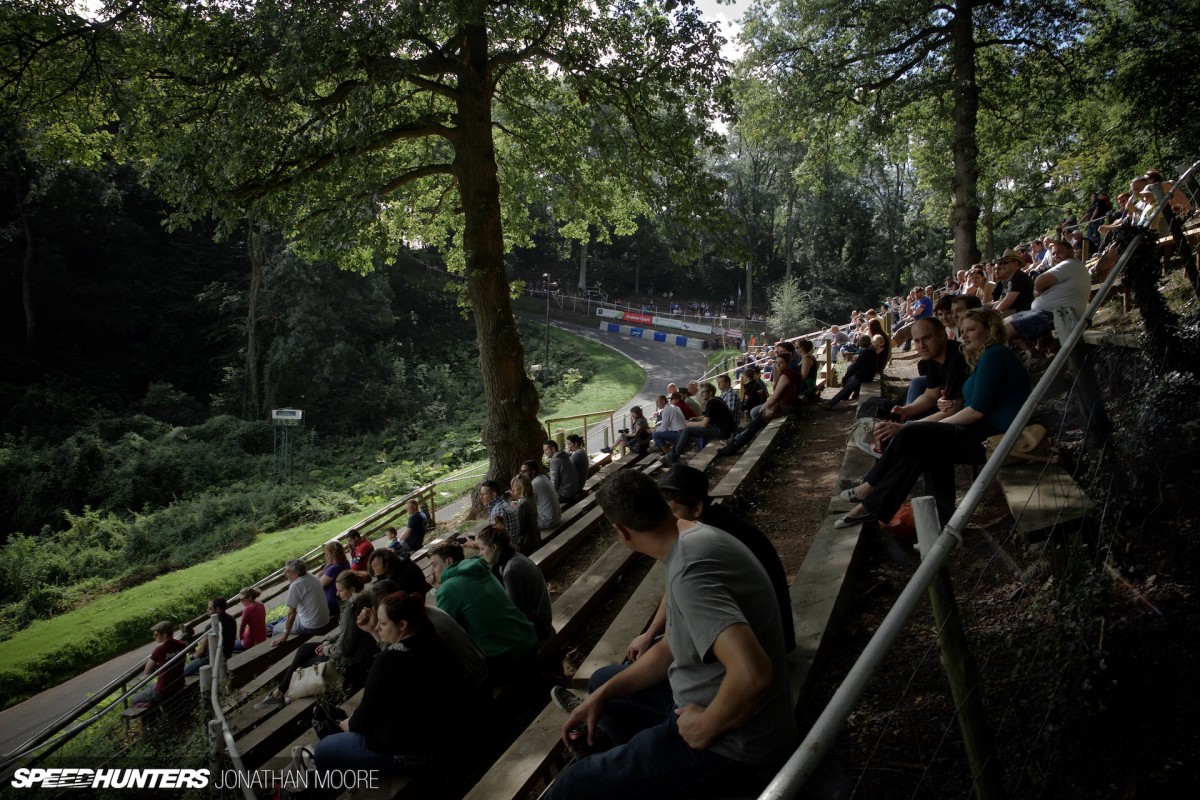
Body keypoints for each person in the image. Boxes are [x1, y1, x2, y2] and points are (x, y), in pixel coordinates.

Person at [548, 470, 797, 800]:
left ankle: (623, 769)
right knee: (602, 683)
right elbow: (669, 649)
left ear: (621, 531)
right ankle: (620, 756)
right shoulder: (693, 536)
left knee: (572, 785)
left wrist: (706, 724)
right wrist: (602, 695)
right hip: (700, 697)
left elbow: (753, 673)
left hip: (731, 741)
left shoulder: (690, 573)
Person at [837, 308, 1031, 528]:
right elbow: (949, 400)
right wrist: (915, 417)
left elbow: (976, 410)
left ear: (991, 330)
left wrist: (918, 425)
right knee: (926, 448)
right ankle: (937, 523)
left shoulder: (995, 355)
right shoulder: (987, 356)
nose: (964, 335)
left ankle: (869, 489)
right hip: (984, 431)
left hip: (994, 438)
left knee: (914, 434)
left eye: (971, 330)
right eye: (962, 330)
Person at [623, 465, 795, 660]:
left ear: (697, 508)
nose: (664, 521)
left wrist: (652, 636)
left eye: (673, 511)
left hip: (761, 647)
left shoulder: (707, 540)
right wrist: (649, 634)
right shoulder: (711, 524)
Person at [312, 591, 456, 774]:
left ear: (402, 624)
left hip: (408, 752)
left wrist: (349, 724)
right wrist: (373, 630)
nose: (378, 627)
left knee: (323, 749)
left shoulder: (389, 659)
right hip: (437, 736)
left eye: (383, 623)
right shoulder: (432, 641)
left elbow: (365, 714)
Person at [255, 571, 378, 707]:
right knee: (305, 649)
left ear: (352, 590)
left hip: (352, 661)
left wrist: (325, 649)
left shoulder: (353, 608)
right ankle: (280, 692)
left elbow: (343, 649)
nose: (337, 594)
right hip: (357, 653)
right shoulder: (365, 600)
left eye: (340, 591)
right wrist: (329, 641)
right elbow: (350, 633)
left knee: (308, 662)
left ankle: (283, 693)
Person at [428, 541, 538, 680]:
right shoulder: (479, 569)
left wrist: (441, 589)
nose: (432, 571)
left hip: (508, 659)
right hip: (528, 641)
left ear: (449, 561)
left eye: (434, 564)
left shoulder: (448, 589)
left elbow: (443, 634)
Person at [1004, 238, 1091, 355]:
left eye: (1059, 252)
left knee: (1002, 330)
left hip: (1053, 315)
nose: (1055, 256)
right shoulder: (1069, 268)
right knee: (1001, 325)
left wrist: (1040, 288)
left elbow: (1039, 282)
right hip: (1044, 312)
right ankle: (1034, 354)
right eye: (1053, 253)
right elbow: (1038, 288)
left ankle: (1032, 357)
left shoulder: (1069, 264)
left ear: (1070, 251)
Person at [477, 524, 555, 642]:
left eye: (482, 549)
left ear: (494, 547)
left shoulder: (511, 570)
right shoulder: (511, 556)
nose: (480, 554)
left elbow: (513, 611)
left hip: (540, 626)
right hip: (539, 618)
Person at [718, 354, 800, 456]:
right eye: (776, 362)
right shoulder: (789, 374)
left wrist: (764, 406)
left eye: (781, 363)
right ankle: (736, 441)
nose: (778, 365)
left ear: (787, 363)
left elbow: (775, 396)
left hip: (781, 407)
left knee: (755, 425)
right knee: (754, 424)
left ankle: (735, 445)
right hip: (783, 405)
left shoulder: (785, 376)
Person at [664, 382, 735, 465]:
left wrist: (689, 424)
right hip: (725, 429)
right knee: (692, 425)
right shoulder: (717, 399)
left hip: (722, 432)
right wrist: (694, 419)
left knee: (688, 430)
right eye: (701, 393)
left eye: (704, 392)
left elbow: (704, 424)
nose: (702, 395)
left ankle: (672, 457)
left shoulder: (711, 403)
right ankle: (692, 449)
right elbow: (707, 417)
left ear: (710, 392)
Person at [272, 558, 332, 647]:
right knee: (286, 620)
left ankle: (277, 653)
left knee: (275, 628)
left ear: (296, 573)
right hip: (325, 620)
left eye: (287, 571)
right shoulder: (311, 576)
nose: (285, 574)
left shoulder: (295, 585)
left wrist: (284, 636)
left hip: (313, 626)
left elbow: (292, 613)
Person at [131, 621, 186, 707]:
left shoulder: (159, 650)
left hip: (164, 690)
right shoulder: (182, 644)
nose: (154, 637)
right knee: (152, 687)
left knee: (134, 700)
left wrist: (158, 667)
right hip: (179, 683)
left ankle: (152, 707)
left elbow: (147, 670)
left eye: (156, 635)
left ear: (164, 635)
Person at [818, 334, 878, 408]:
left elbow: (854, 368)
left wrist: (844, 378)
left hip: (863, 377)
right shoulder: (872, 352)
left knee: (847, 386)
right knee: (849, 381)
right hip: (868, 375)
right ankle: (844, 398)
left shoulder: (864, 354)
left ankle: (830, 404)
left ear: (860, 343)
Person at [183, 596, 237, 677]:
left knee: (183, 673)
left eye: (210, 608)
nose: (207, 610)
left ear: (217, 609)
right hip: (227, 656)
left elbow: (201, 651)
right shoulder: (231, 619)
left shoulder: (211, 626)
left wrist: (193, 656)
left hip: (210, 660)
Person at [988, 248, 1035, 314]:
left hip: (1021, 314)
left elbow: (1007, 302)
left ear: (1016, 263)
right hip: (1014, 312)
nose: (1002, 265)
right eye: (1001, 263)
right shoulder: (1012, 278)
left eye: (1005, 262)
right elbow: (1002, 300)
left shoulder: (1019, 277)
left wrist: (991, 315)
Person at [521, 459, 561, 530]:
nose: (521, 475)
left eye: (524, 472)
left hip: (546, 522)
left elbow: (525, 504)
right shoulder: (544, 477)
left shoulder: (534, 484)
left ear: (533, 472)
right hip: (556, 519)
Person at [508, 474, 542, 553]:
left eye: (514, 486)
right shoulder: (530, 498)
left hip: (526, 543)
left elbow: (518, 528)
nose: (512, 489)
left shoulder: (522, 505)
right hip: (535, 537)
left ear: (522, 487)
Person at [318, 541, 350, 616]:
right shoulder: (345, 563)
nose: (325, 556)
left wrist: (325, 568)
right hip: (341, 600)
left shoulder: (334, 569)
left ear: (333, 554)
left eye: (327, 554)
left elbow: (317, 585)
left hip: (332, 605)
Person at [235, 587, 267, 651]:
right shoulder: (261, 604)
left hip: (251, 642)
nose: (241, 602)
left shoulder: (247, 609)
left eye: (242, 599)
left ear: (250, 597)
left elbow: (242, 626)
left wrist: (241, 637)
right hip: (263, 638)